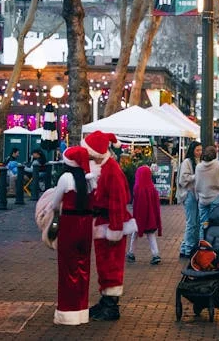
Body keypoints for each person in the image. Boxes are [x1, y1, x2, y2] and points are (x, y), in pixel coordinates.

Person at [82, 131, 137, 321]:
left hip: (111, 225)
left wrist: (115, 228)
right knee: (104, 264)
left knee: (111, 265)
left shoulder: (111, 170)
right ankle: (106, 300)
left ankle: (111, 305)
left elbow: (118, 201)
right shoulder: (100, 168)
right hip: (102, 224)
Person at [49, 146, 95, 325]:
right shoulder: (89, 180)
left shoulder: (66, 178)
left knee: (68, 268)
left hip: (69, 224)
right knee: (83, 267)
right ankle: (82, 311)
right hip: (86, 225)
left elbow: (54, 203)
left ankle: (68, 312)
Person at [127, 165, 163, 265]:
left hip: (139, 217)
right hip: (150, 217)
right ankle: (155, 254)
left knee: (135, 234)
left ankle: (131, 253)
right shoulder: (152, 188)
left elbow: (137, 204)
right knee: (151, 235)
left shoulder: (137, 188)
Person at [195, 145, 219, 240]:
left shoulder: (198, 167)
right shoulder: (218, 166)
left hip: (202, 198)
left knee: (204, 223)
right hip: (215, 197)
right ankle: (213, 245)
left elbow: (197, 183)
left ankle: (203, 245)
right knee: (215, 223)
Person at [177, 141, 202, 258]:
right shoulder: (187, 162)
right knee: (191, 222)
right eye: (197, 150)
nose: (199, 152)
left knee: (195, 222)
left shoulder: (199, 161)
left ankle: (185, 247)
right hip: (189, 194)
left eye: (201, 150)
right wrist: (197, 176)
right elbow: (183, 179)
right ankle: (188, 248)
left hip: (196, 194)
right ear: (192, 150)